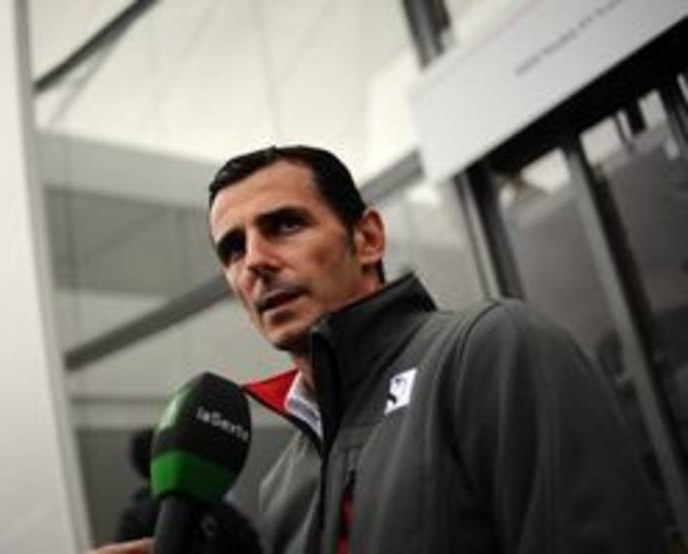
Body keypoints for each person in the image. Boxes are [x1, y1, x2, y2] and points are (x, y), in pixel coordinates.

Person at [91, 144, 666, 553]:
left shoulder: (491, 348)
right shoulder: (284, 483)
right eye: (233, 249)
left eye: (284, 225)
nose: (256, 262)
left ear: (367, 238)